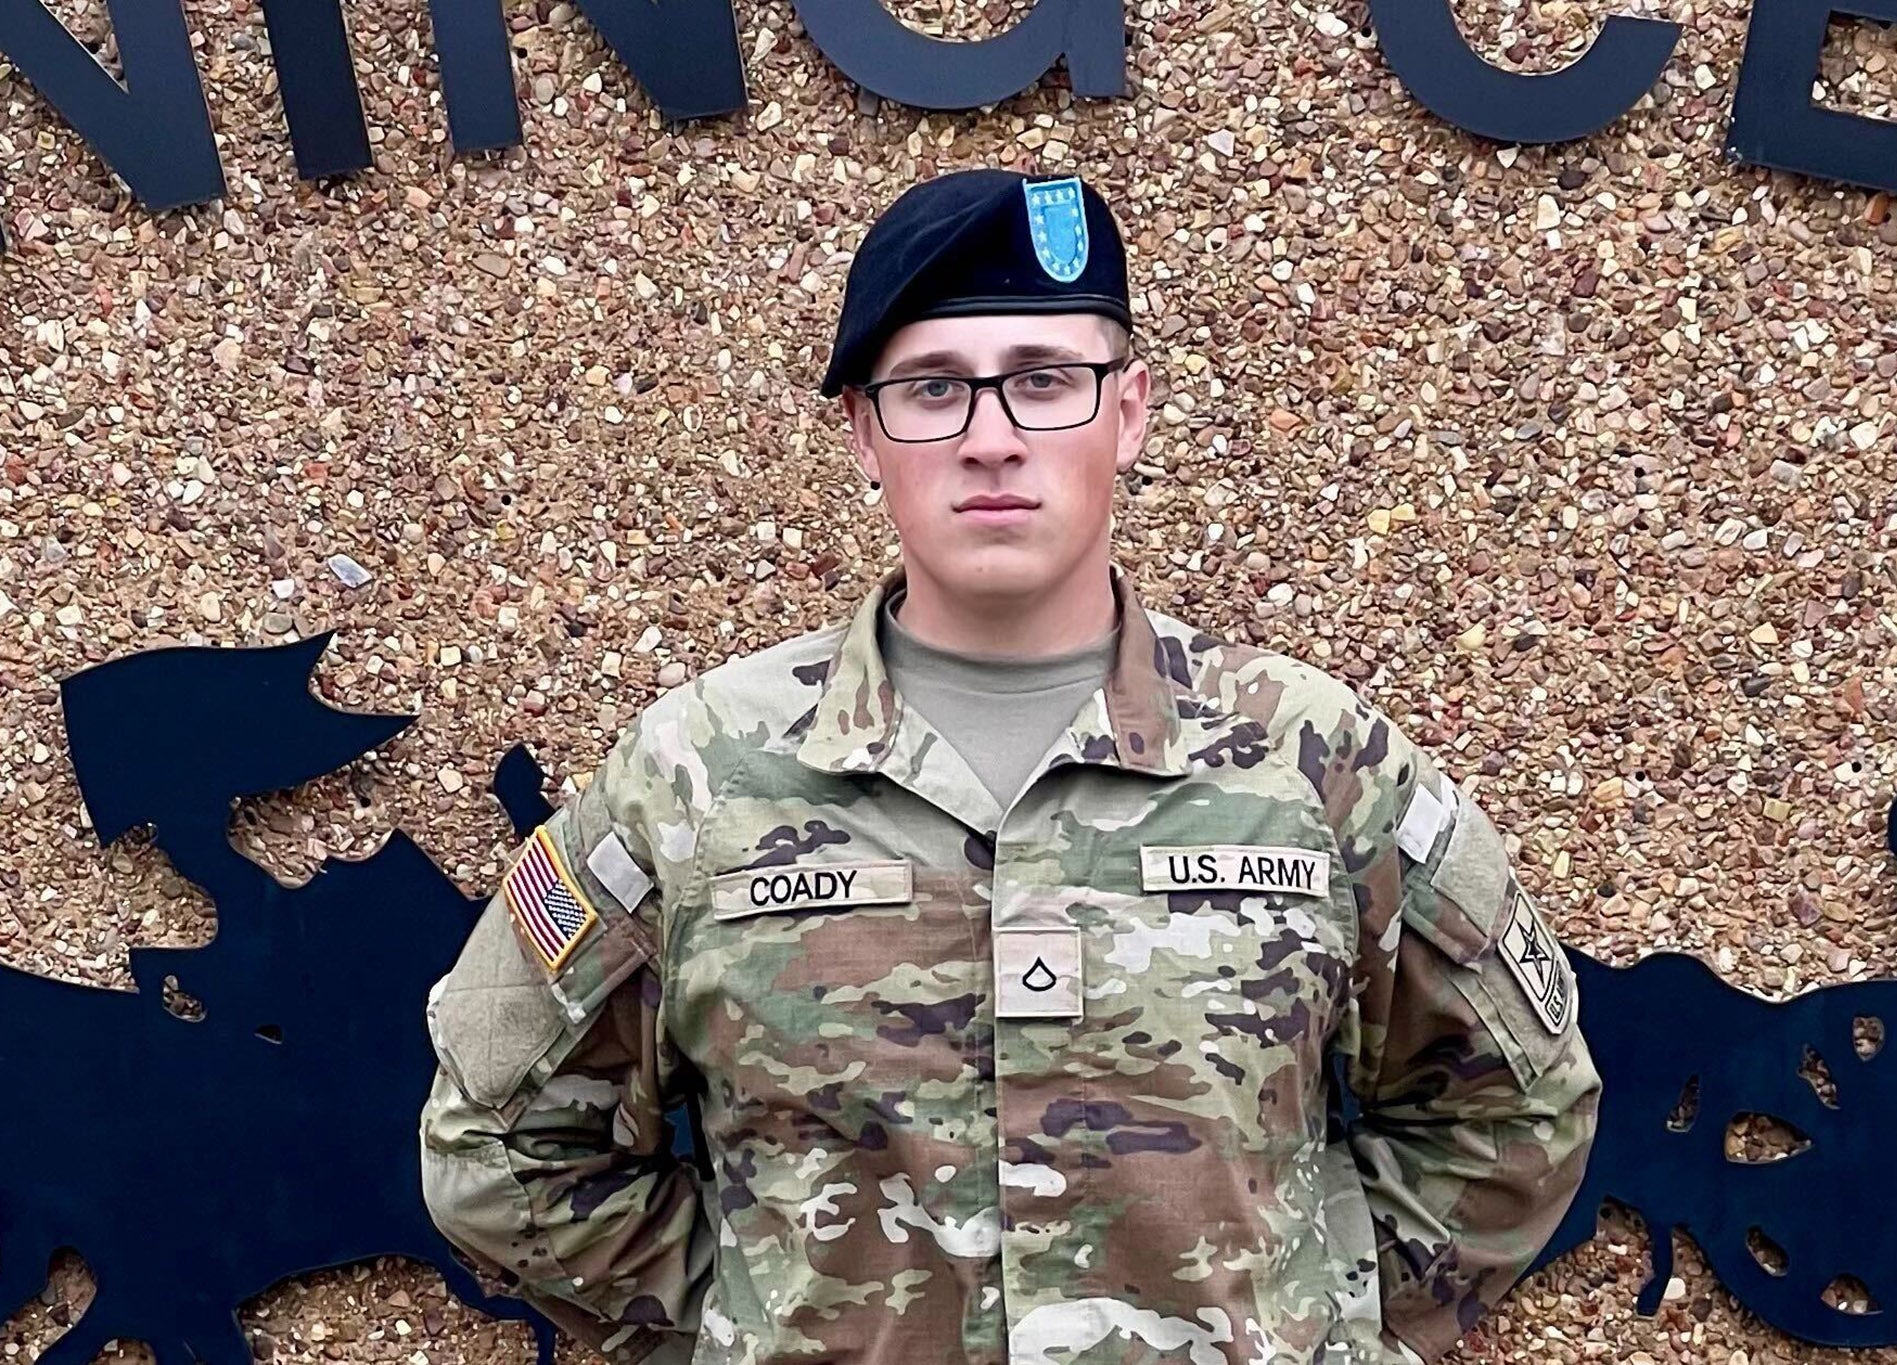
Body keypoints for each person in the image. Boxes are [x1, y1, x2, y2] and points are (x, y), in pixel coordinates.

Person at [418, 167, 1602, 1365]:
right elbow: (501, 1143)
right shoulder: (697, 776)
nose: (990, 440)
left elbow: (1514, 1107)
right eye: (932, 389)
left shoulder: (1312, 760)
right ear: (863, 432)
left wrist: (1319, 1325)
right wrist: (747, 1328)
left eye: (1042, 381)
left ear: (1127, 412)